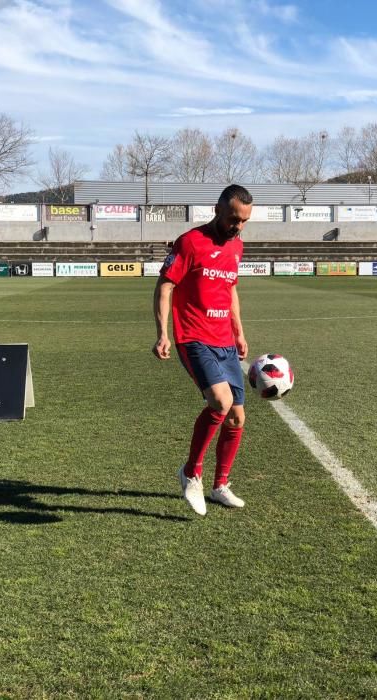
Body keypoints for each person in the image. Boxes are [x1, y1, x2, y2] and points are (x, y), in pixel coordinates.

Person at [152, 184, 253, 516]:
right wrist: (162, 334)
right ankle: (190, 472)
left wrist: (239, 332)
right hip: (193, 336)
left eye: (243, 221)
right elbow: (165, 285)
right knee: (220, 403)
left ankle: (220, 484)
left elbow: (231, 290)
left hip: (224, 339)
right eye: (233, 218)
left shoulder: (237, 247)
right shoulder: (190, 242)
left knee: (237, 418)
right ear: (218, 209)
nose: (237, 226)